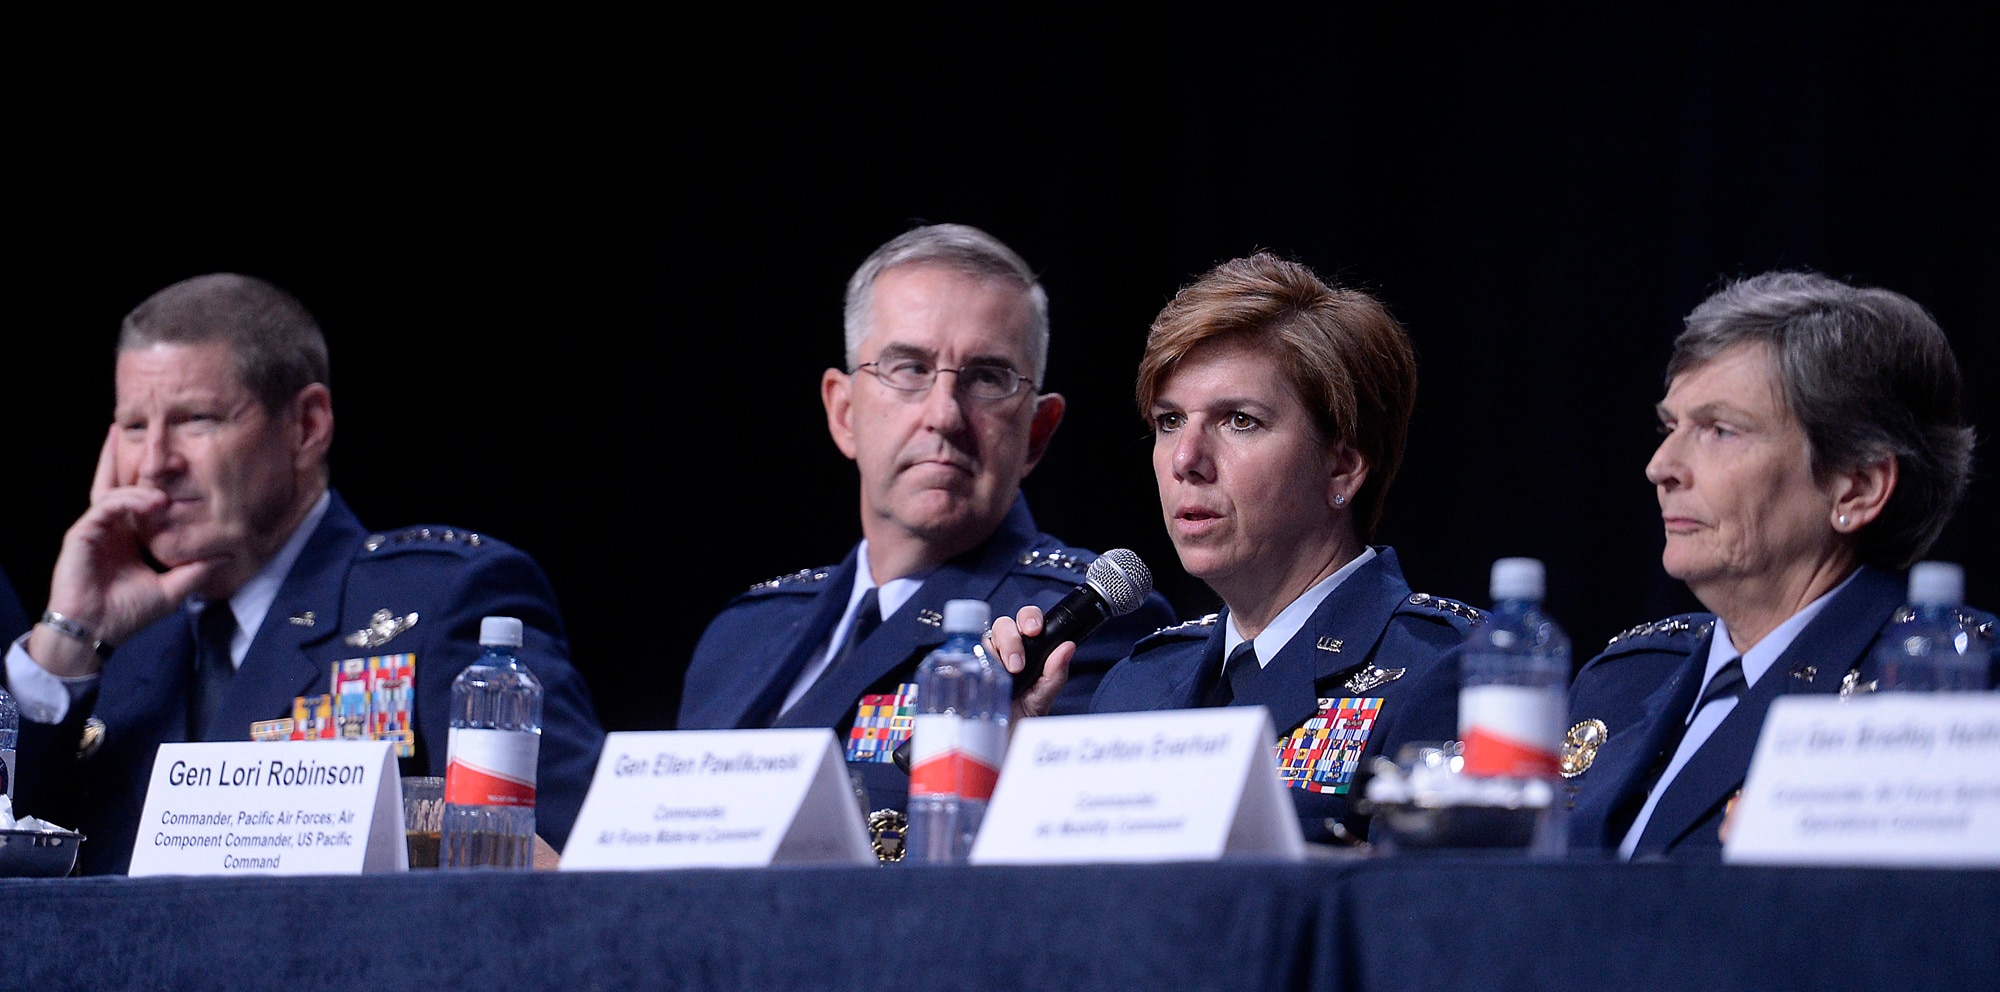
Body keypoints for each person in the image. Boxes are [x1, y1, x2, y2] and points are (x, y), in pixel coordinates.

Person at [3, 273, 605, 873]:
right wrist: (68, 635)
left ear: (307, 426)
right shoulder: (112, 656)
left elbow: (582, 867)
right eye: (134, 426)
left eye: (197, 419)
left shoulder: (441, 600)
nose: (156, 463)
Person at [679, 224, 1173, 852]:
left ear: (1039, 432)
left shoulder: (1079, 628)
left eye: (988, 377)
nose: (943, 413)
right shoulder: (741, 634)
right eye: (909, 368)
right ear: (844, 413)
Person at [997, 253, 1481, 844]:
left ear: (1343, 468)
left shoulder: (1444, 669)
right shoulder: (1139, 685)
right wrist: (1010, 777)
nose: (1185, 460)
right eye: (1170, 421)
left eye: (1240, 421)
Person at [1563, 271, 1992, 860]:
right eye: (1671, 427)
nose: (1661, 466)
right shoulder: (1621, 679)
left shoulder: (1950, 687)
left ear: (1857, 489)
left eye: (1719, 430)